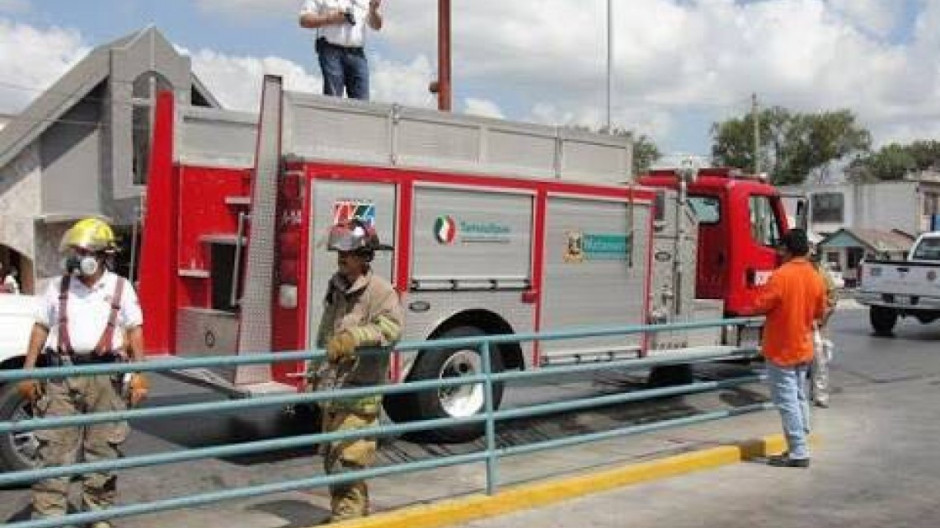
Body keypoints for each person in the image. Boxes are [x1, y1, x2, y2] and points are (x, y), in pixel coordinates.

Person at [17, 218, 149, 527]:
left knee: (103, 451)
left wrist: (141, 374)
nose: (75, 257)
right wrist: (27, 371)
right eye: (73, 250)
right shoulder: (58, 287)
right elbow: (40, 327)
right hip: (62, 377)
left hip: (107, 379)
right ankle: (48, 518)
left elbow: (135, 330)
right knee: (53, 451)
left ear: (100, 255)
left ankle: (98, 517)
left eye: (81, 250)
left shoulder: (120, 287)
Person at [309, 218, 403, 523]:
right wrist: (314, 371)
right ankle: (351, 518)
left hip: (360, 394)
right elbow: (326, 334)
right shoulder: (337, 287)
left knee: (348, 464)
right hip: (334, 393)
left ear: (364, 257)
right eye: (338, 253)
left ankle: (348, 519)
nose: (340, 258)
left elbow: (391, 330)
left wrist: (354, 338)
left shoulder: (381, 291)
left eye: (346, 253)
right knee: (333, 462)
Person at [752, 229, 827, 468]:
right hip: (803, 346)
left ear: (785, 249)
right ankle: (800, 441)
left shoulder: (780, 276)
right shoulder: (815, 276)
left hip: (781, 348)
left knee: (787, 401)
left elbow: (759, 304)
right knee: (798, 396)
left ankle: (798, 451)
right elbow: (820, 312)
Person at [299, 0, 383, 100]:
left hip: (357, 53)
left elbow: (377, 26)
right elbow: (304, 20)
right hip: (331, 50)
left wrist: (373, 10)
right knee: (333, 97)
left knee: (362, 100)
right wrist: (329, 19)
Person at [809, 246, 839, 408]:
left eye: (815, 259)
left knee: (820, 362)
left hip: (819, 325)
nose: (813, 262)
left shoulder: (823, 276)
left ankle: (819, 396)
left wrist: (823, 319)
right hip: (804, 324)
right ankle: (805, 394)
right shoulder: (803, 274)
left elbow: (833, 300)